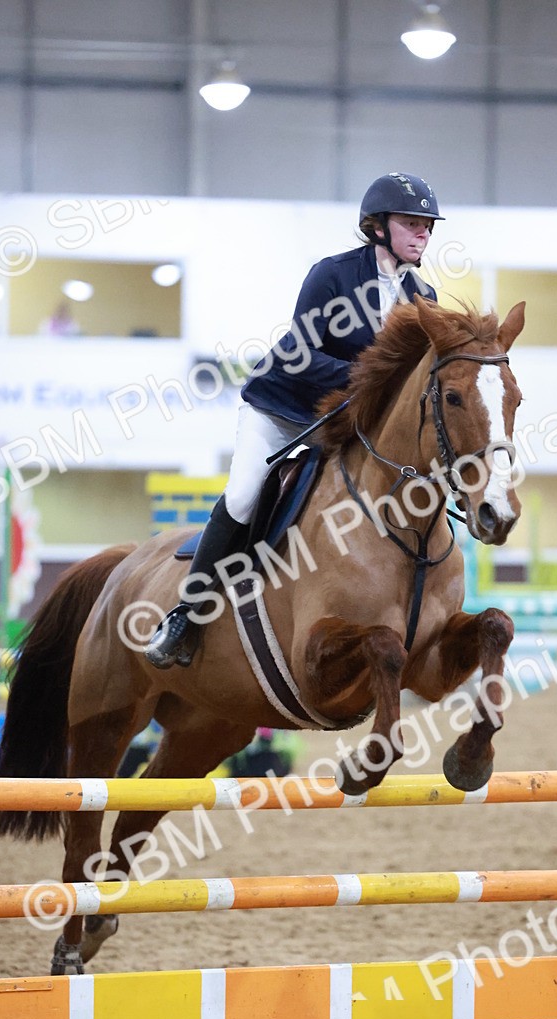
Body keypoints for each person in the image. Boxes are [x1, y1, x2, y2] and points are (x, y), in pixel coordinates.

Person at [146, 171, 443, 669]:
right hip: (282, 409)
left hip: (344, 424)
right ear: (377, 226)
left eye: (428, 226)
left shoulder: (423, 297)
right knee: (243, 495)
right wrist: (367, 376)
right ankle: (186, 616)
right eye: (412, 223)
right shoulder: (332, 275)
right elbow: (300, 353)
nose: (424, 234)